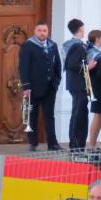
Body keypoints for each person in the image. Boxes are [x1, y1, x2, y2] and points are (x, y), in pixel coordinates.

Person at [19, 21, 62, 151]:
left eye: (45, 30)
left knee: (49, 115)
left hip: (50, 87)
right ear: (35, 31)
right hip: (33, 88)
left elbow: (58, 64)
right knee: (33, 114)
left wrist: (56, 81)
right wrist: (26, 86)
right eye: (40, 30)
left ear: (47, 32)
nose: (42, 33)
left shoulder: (53, 45)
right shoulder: (28, 46)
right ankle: (33, 142)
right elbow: (23, 67)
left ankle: (52, 143)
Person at [63, 18, 91, 152]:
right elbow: (72, 65)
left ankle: (79, 143)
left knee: (80, 113)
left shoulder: (75, 45)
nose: (84, 30)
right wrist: (87, 66)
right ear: (80, 29)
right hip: (78, 84)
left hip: (77, 84)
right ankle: (75, 144)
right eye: (83, 28)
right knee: (78, 113)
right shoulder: (76, 46)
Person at [86, 29, 101, 148]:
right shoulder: (94, 53)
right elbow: (96, 71)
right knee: (99, 115)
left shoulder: (95, 51)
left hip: (97, 87)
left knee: (100, 115)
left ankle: (92, 144)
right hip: (98, 88)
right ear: (97, 39)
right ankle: (92, 144)